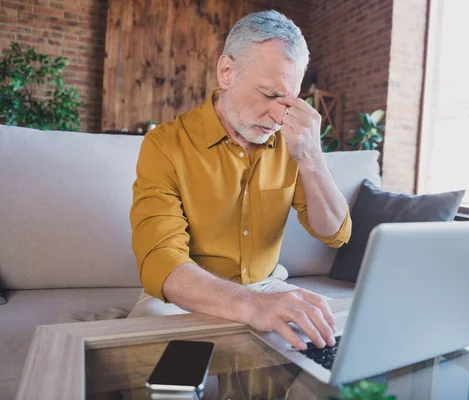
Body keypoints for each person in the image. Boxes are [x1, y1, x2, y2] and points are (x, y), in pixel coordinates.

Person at [128, 11, 351, 351]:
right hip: (188, 292)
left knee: (336, 340)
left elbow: (335, 233)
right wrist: (251, 305)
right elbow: (162, 262)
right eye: (268, 95)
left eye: (288, 100)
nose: (280, 116)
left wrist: (311, 157)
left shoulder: (292, 143)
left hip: (268, 286)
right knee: (149, 357)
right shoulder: (165, 145)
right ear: (227, 72)